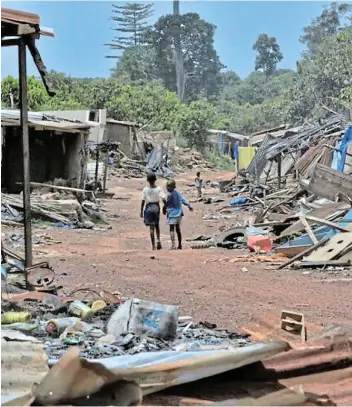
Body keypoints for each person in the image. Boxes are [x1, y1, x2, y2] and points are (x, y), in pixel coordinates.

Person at [140, 172, 166, 250]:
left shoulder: (145, 189)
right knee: (157, 225)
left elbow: (143, 201)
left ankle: (153, 245)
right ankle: (158, 240)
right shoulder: (158, 189)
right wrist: (165, 206)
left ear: (148, 180)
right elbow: (163, 198)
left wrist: (141, 211)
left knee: (151, 227)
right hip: (156, 207)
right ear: (155, 180)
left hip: (148, 207)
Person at [165, 179, 193, 250]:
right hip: (179, 214)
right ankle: (180, 244)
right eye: (167, 186)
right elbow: (183, 200)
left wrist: (163, 209)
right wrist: (188, 205)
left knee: (171, 229)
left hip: (172, 214)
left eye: (169, 186)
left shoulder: (169, 195)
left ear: (173, 187)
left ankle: (173, 245)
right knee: (178, 229)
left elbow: (167, 204)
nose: (167, 188)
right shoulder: (177, 193)